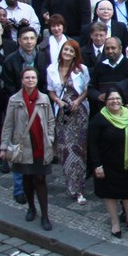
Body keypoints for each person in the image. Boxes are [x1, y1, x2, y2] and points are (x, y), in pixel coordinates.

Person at [0, 68, 56, 230]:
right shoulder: (15, 100)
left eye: (33, 77)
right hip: (23, 146)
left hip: (40, 146)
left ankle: (45, 215)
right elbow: (8, 124)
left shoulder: (44, 98)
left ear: (37, 80)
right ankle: (31, 207)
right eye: (27, 78)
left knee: (40, 179)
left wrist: (50, 138)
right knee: (27, 178)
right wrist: (4, 147)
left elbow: (51, 121)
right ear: (22, 80)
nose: (30, 80)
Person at [88, 89, 128, 238]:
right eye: (111, 99)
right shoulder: (98, 120)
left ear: (122, 100)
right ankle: (115, 222)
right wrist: (97, 165)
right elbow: (92, 144)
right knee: (110, 193)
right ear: (105, 102)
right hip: (107, 164)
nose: (115, 101)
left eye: (117, 98)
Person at [47, 39, 90, 205]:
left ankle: (79, 188)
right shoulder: (52, 69)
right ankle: (70, 184)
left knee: (79, 150)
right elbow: (50, 90)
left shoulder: (81, 69)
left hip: (79, 113)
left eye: (71, 51)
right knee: (66, 150)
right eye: (65, 50)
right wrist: (58, 101)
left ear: (75, 54)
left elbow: (86, 89)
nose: (67, 53)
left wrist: (78, 101)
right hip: (63, 114)